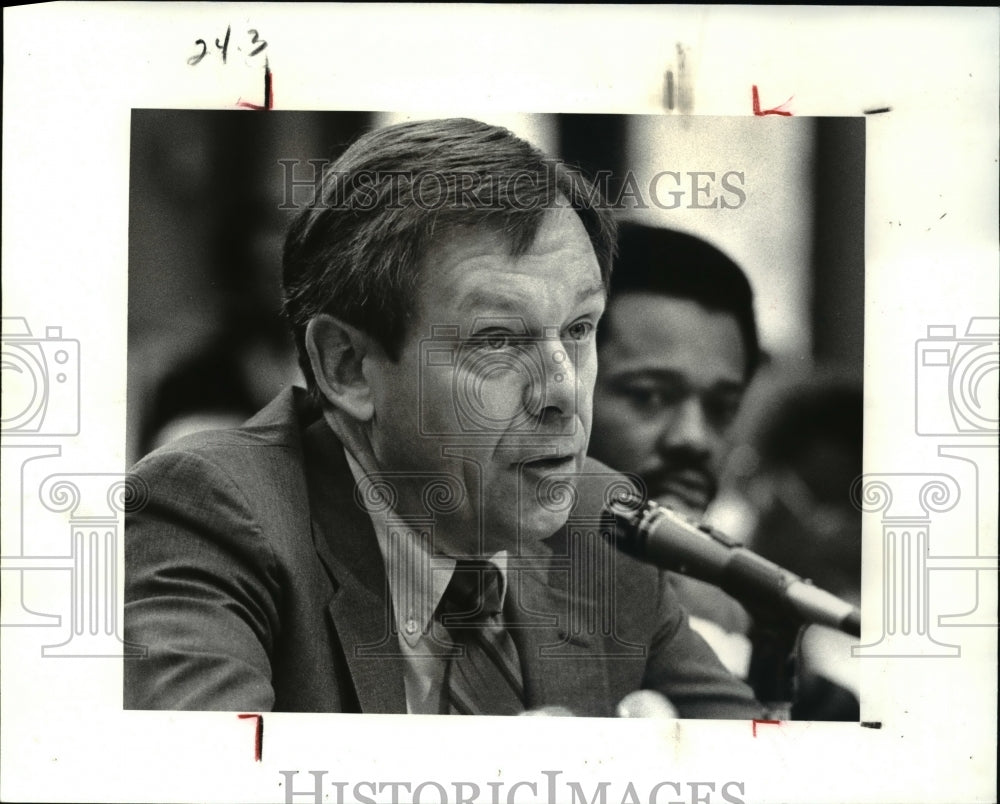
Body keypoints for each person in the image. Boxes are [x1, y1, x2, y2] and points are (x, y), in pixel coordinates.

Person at [124, 118, 764, 718]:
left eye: (579, 330)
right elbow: (212, 780)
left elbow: (769, 774)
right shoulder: (212, 513)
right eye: (497, 341)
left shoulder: (601, 523)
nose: (563, 394)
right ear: (347, 366)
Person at [588, 222, 761, 677]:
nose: (694, 439)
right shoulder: (494, 612)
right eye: (649, 396)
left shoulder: (774, 647)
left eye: (722, 408)